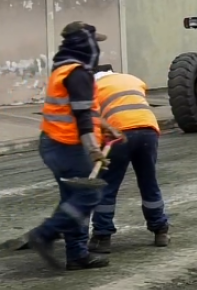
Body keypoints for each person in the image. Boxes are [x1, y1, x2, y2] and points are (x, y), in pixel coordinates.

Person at [25, 21, 118, 271]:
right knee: (89, 193)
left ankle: (77, 255)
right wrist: (94, 149)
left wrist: (104, 125)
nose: (97, 48)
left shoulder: (63, 69)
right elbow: (82, 118)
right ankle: (44, 235)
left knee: (73, 198)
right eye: (94, 43)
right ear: (84, 44)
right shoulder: (78, 73)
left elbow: (80, 109)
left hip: (52, 144)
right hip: (69, 146)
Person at [87, 65, 170, 252]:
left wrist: (97, 152)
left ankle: (102, 237)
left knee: (107, 186)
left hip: (119, 134)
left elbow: (92, 122)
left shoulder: (92, 86)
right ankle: (160, 231)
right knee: (149, 182)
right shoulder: (131, 79)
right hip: (148, 130)